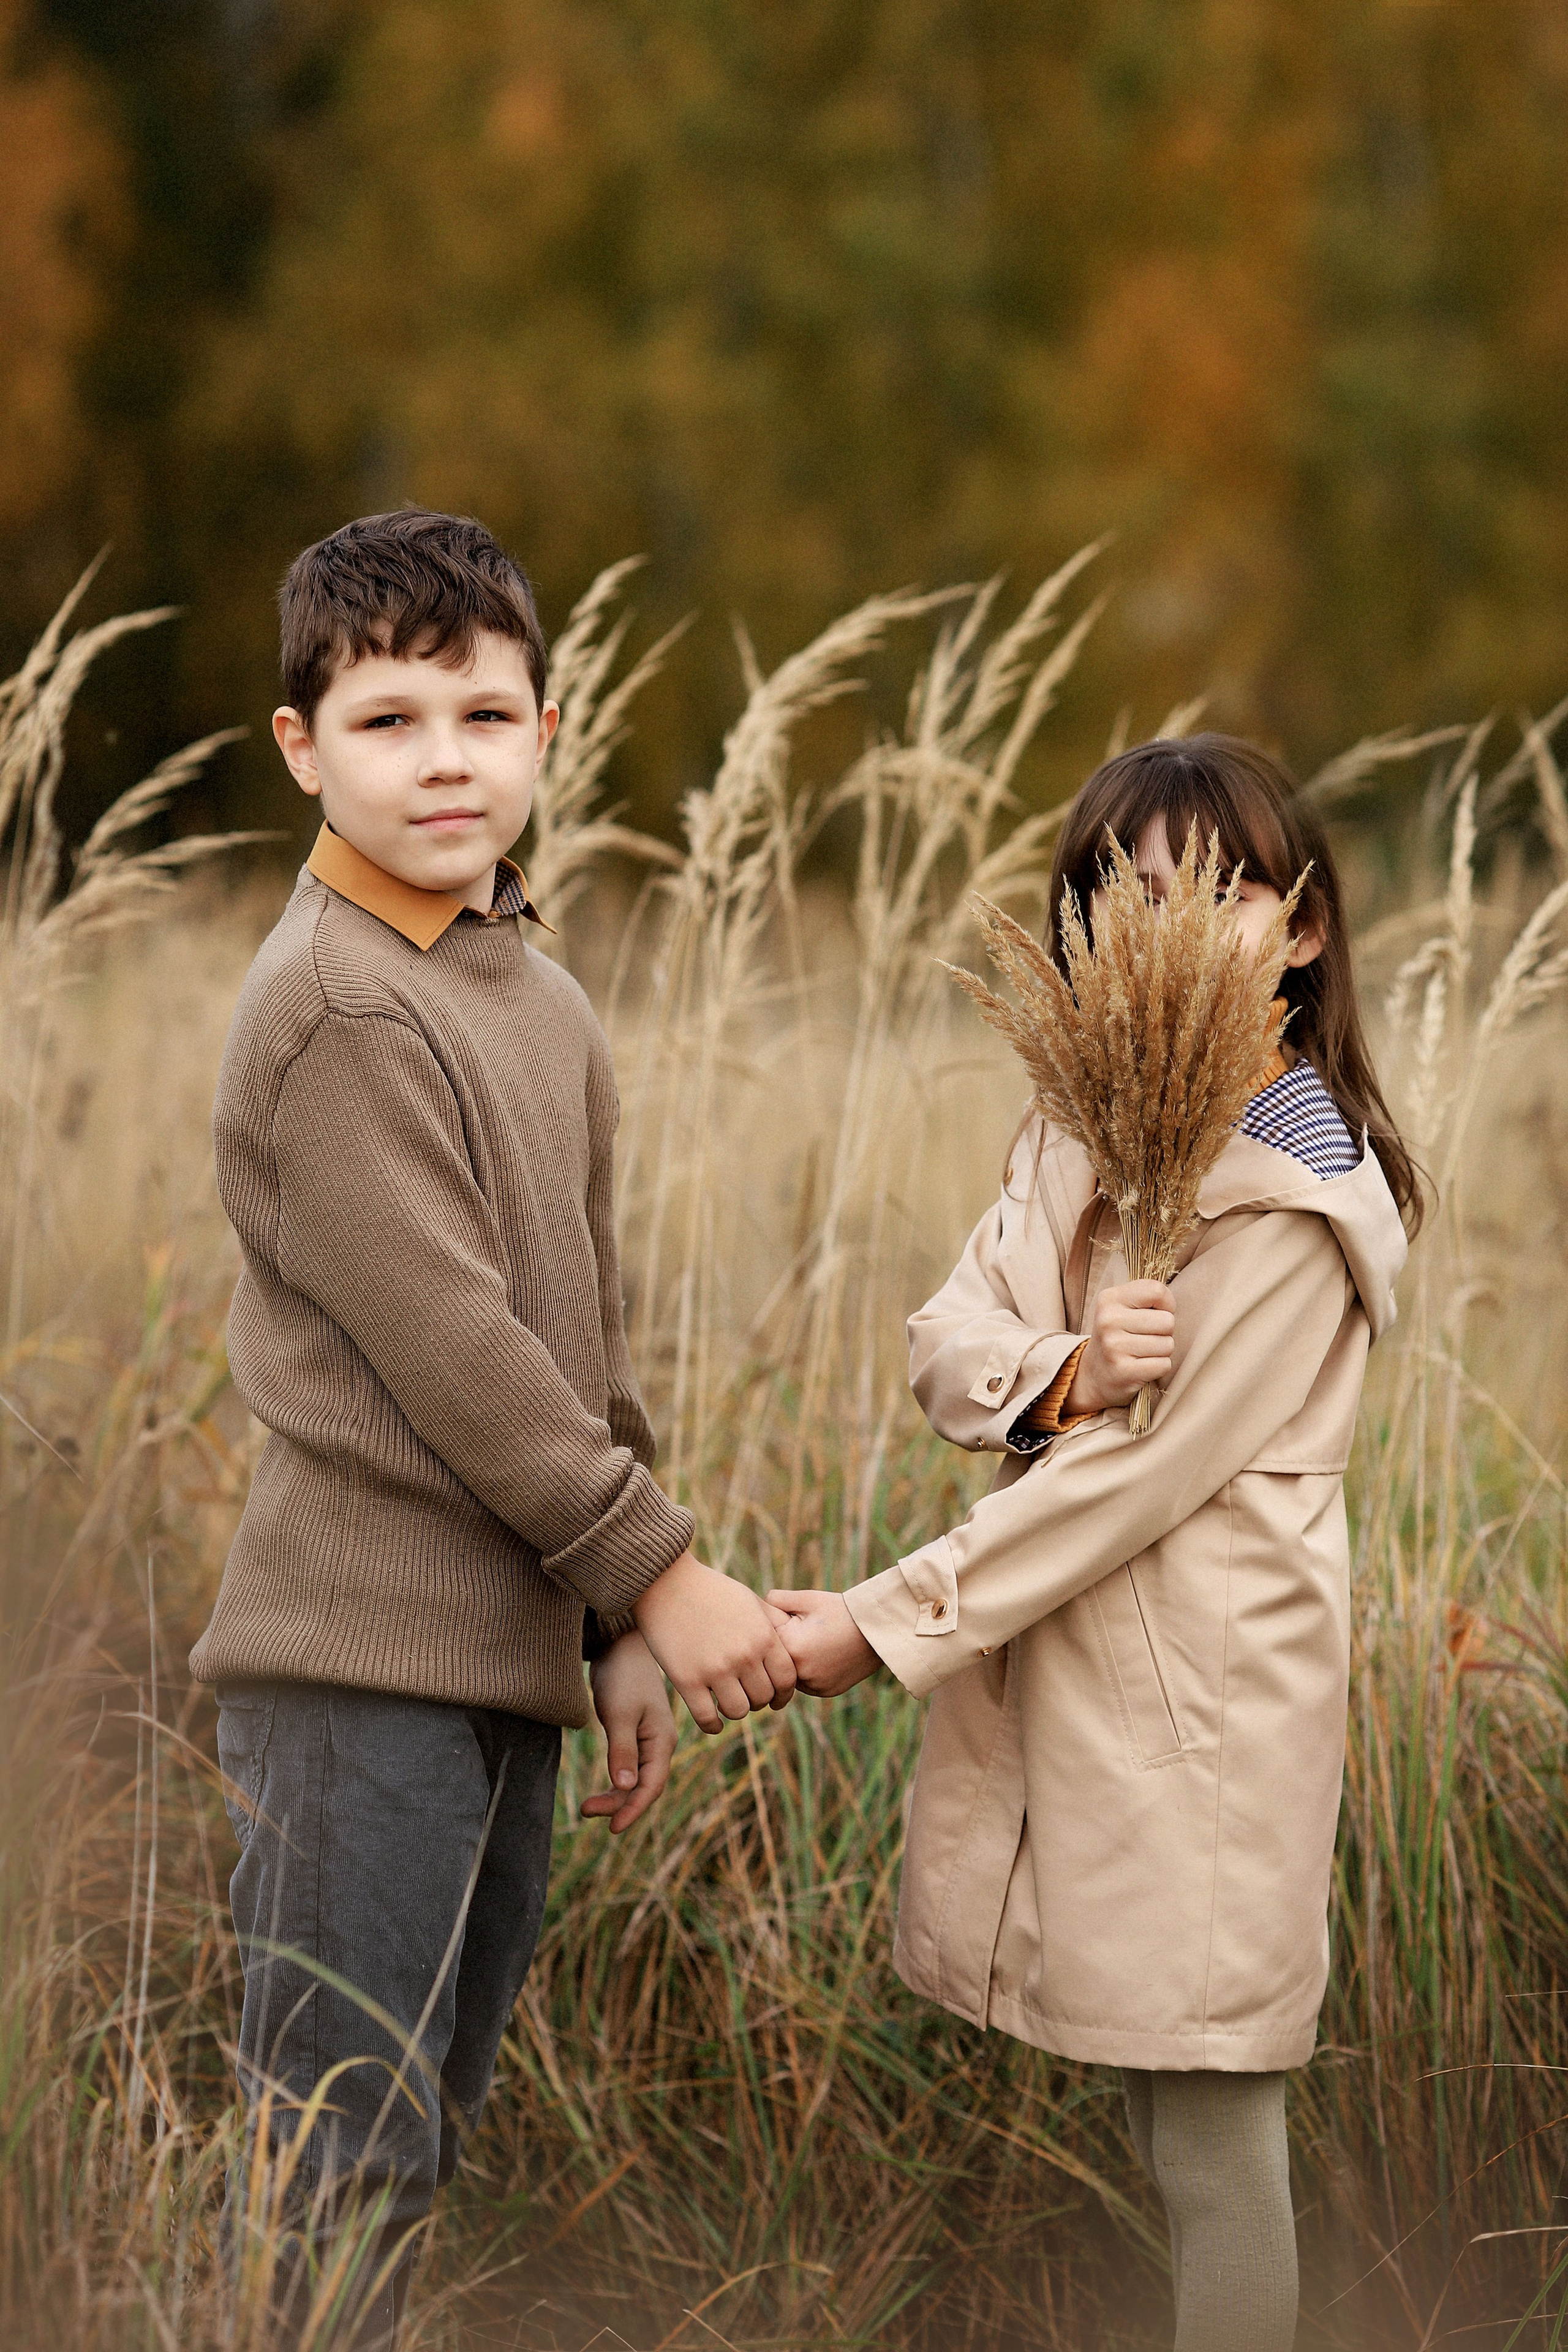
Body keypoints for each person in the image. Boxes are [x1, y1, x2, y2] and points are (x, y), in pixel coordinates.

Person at [189, 508, 797, 2347]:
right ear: (301, 749)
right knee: (335, 2153)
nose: (442, 759)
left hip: (504, 1664)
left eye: (482, 713)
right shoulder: (331, 1012)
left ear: (547, 731)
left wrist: (611, 1623)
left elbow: (573, 1330)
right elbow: (460, 1355)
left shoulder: (531, 992)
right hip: (353, 1671)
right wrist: (664, 1573)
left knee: (426, 2128)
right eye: (386, 720)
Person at [770, 734, 1420, 2352]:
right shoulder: (1080, 1129)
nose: (1172, 932)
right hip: (1077, 1680)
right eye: (1126, 900)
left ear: (1303, 930)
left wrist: (874, 1623)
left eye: (1222, 895)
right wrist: (1057, 1369)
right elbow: (945, 1336)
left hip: (1204, 1714)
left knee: (1213, 2143)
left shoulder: (1300, 1196)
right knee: (1156, 2110)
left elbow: (1136, 1484)